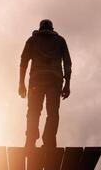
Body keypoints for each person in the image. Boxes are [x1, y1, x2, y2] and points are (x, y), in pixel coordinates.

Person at [18, 19, 72, 148]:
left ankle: (30, 140)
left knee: (33, 111)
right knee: (52, 112)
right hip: (55, 80)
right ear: (52, 29)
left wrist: (21, 83)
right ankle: (49, 141)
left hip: (37, 80)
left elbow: (23, 62)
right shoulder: (60, 41)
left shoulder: (32, 40)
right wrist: (67, 83)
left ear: (40, 28)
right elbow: (68, 63)